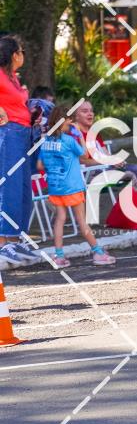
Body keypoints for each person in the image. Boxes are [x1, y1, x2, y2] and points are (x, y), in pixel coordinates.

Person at [39, 105, 116, 267]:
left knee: (60, 219)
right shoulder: (69, 140)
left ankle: (59, 256)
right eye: (70, 121)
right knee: (82, 220)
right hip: (72, 186)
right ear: (64, 121)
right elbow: (84, 155)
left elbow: (40, 165)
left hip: (55, 186)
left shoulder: (46, 141)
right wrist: (80, 134)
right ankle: (98, 252)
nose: (71, 124)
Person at [71, 101, 137, 197]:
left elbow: (106, 154)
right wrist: (106, 161)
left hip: (107, 169)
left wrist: (114, 160)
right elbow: (81, 161)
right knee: (136, 170)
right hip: (89, 173)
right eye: (85, 111)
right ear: (76, 116)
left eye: (91, 111)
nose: (90, 114)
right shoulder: (73, 134)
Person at [0, 35, 38, 265]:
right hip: (8, 134)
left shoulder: (13, 78)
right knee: (9, 187)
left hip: (24, 133)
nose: (23, 55)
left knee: (24, 189)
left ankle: (16, 239)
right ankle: (3, 243)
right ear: (14, 54)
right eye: (21, 51)